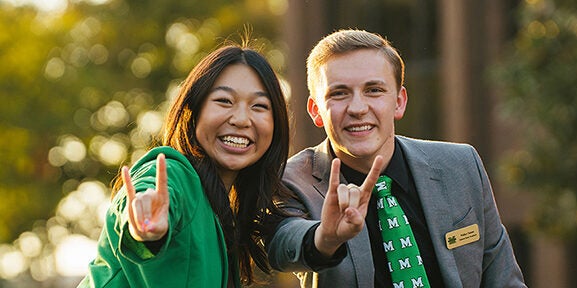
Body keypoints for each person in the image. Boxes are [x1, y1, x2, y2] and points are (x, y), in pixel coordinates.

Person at [266, 29, 527, 287]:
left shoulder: (461, 165)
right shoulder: (290, 181)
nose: (358, 108)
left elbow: (503, 278)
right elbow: (280, 245)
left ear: (399, 102)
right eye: (339, 93)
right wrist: (324, 239)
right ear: (316, 110)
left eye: (374, 90)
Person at [78, 44, 290, 288]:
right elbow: (150, 196)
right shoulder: (174, 173)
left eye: (259, 106)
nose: (241, 119)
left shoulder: (219, 210)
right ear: (194, 111)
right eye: (224, 101)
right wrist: (145, 232)